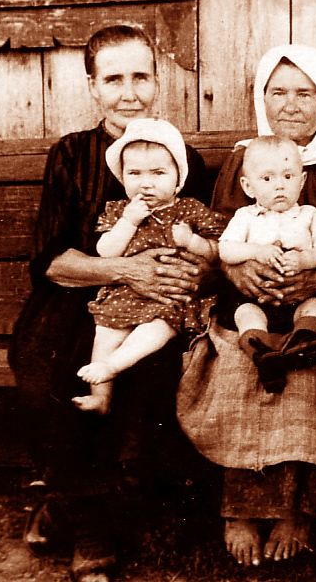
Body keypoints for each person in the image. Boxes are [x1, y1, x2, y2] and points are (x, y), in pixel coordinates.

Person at [8, 25, 213, 582]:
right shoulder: (71, 154)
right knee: (50, 367)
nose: (129, 92)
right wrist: (127, 270)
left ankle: (70, 501)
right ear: (93, 87)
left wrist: (189, 270)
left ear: (158, 81)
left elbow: (203, 242)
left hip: (155, 306)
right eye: (114, 79)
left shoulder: (182, 157)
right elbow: (51, 261)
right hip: (72, 297)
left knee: (149, 370)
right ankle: (89, 523)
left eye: (141, 77)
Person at [176, 44, 316, 568]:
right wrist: (240, 272)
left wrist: (315, 279)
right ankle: (240, 509)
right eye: (277, 92)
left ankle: (297, 511)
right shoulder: (244, 160)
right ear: (261, 98)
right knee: (238, 366)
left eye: (305, 93)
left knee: (310, 373)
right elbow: (225, 241)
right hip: (250, 303)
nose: (290, 104)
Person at [73, 118, 225, 415]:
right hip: (124, 293)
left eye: (158, 173)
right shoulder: (119, 211)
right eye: (135, 173)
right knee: (104, 333)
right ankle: (100, 398)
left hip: (170, 297)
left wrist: (192, 241)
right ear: (123, 178)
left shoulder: (190, 210)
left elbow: (217, 252)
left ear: (178, 179)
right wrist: (128, 221)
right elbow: (105, 252)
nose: (146, 183)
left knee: (156, 329)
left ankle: (112, 366)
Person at [217, 134, 316, 392]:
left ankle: (303, 341)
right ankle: (262, 353)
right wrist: (256, 251)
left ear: (302, 181)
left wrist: (306, 260)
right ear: (248, 187)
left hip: (300, 297)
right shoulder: (245, 217)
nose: (279, 186)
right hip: (255, 297)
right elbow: (225, 250)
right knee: (246, 314)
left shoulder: (310, 215)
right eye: (267, 179)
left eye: (288, 176)